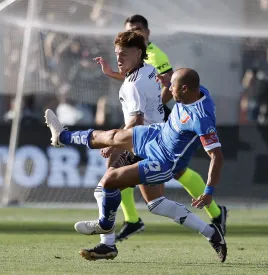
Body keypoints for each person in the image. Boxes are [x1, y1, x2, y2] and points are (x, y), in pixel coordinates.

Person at [44, 65, 227, 262]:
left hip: (163, 161)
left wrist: (208, 192)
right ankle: (62, 136)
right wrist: (168, 80)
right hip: (155, 135)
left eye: (172, 87)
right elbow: (180, 81)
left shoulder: (201, 118)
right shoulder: (197, 90)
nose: (169, 91)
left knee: (110, 183)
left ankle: (106, 226)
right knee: (113, 137)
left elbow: (217, 156)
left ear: (184, 89)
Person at [94, 14, 227, 243]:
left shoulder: (156, 55)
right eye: (130, 30)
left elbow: (168, 84)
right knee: (121, 176)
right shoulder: (133, 56)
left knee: (166, 174)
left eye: (137, 30)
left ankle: (213, 215)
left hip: (163, 123)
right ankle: (130, 221)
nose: (134, 34)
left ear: (147, 33)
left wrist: (154, 106)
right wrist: (113, 75)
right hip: (152, 124)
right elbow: (138, 81)